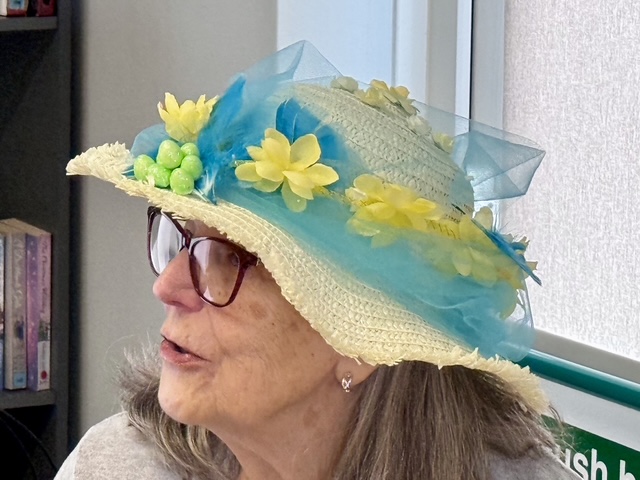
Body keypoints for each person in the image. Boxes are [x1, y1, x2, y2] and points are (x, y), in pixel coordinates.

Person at [56, 42, 579, 479]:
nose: (167, 286)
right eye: (180, 239)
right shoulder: (116, 466)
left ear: (360, 346)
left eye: (226, 259)